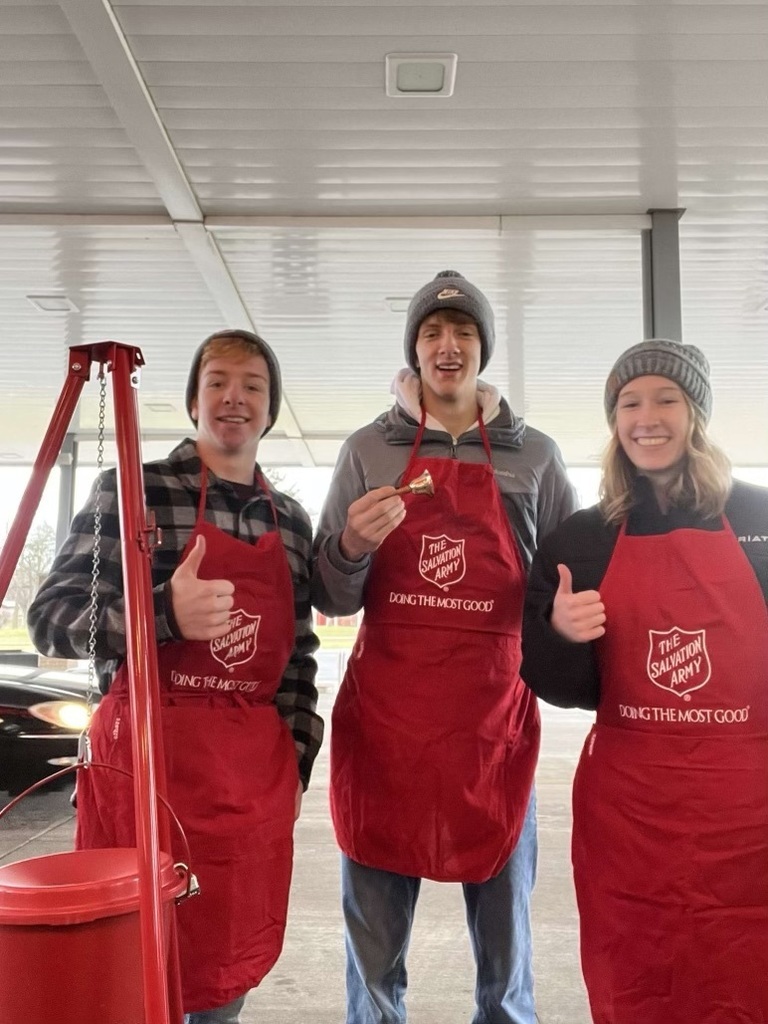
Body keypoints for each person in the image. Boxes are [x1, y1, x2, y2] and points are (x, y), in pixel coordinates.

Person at [28, 329, 324, 1024]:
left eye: (253, 385)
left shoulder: (291, 521)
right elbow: (52, 621)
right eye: (218, 380)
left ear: (270, 408)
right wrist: (161, 613)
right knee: (127, 982)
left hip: (248, 797)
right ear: (194, 398)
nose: (234, 397)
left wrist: (295, 763)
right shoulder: (131, 490)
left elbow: (299, 657)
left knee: (221, 988)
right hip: (144, 781)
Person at [312, 270, 578, 1024]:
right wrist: (351, 546)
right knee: (373, 956)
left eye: (463, 331)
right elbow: (332, 597)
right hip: (387, 731)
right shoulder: (369, 448)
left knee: (506, 958)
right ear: (415, 350)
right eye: (432, 331)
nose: (447, 344)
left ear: (482, 349)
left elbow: (567, 580)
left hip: (493, 731)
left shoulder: (536, 458)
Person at [521, 339, 768, 1024]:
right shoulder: (582, 539)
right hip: (631, 811)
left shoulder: (761, 522)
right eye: (629, 402)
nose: (646, 417)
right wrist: (562, 635)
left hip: (746, 813)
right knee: (636, 969)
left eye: (666, 399)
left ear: (697, 416)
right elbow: (550, 679)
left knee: (745, 971)